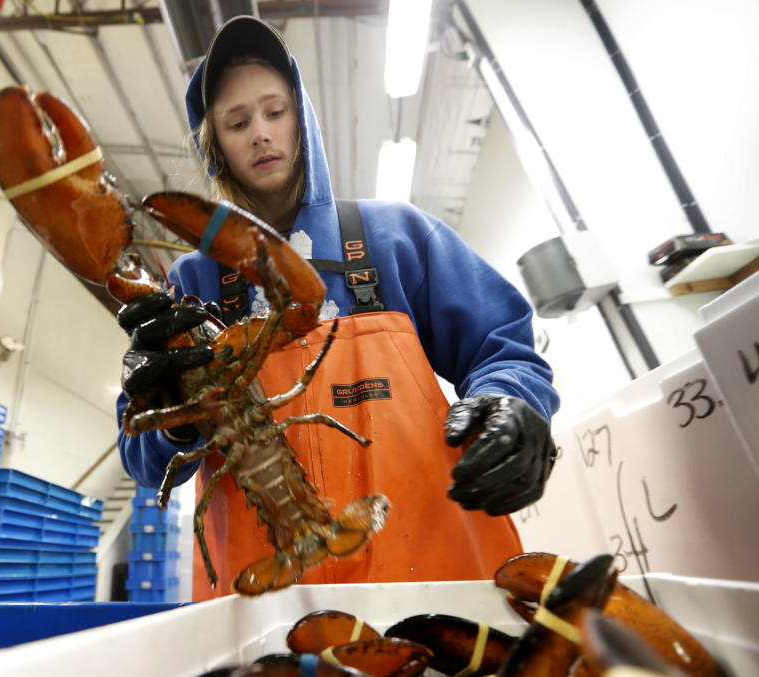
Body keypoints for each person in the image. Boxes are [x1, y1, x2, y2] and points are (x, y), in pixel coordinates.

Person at [117, 15, 560, 601]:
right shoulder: (190, 282)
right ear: (215, 144)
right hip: (267, 606)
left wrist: (511, 403)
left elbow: (502, 345)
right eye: (237, 121)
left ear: (302, 115)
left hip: (431, 581)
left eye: (275, 111)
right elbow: (142, 457)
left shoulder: (396, 234)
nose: (260, 133)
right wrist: (170, 409)